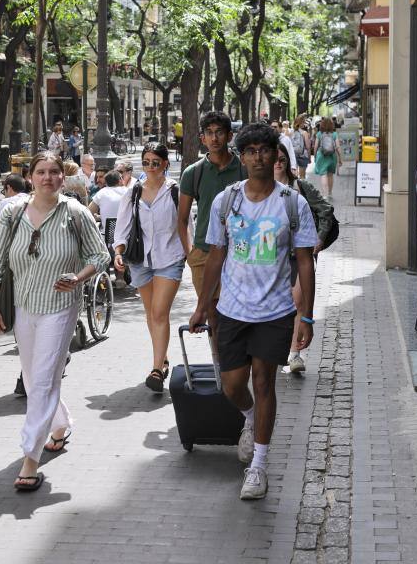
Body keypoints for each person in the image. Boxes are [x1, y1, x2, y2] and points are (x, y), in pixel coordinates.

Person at [189, 123, 317, 500]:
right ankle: (248, 418)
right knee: (232, 386)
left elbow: (305, 262)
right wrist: (201, 306)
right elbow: (216, 254)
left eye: (265, 150)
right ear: (241, 157)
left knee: (264, 383)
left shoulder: (292, 203)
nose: (259, 157)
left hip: (275, 311)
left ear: (276, 155)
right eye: (251, 151)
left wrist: (305, 316)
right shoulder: (226, 201)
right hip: (231, 309)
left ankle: (259, 464)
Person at [0, 152, 110, 492]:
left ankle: (30, 458)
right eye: (41, 172)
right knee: (34, 374)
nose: (48, 177)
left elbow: (101, 255)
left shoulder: (76, 213)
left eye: (55, 172)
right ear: (30, 176)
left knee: (39, 382)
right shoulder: (12, 213)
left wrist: (79, 276)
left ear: (62, 179)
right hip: (24, 306)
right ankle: (60, 424)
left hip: (61, 306)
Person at [114, 143, 186, 393]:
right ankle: (163, 358)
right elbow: (123, 226)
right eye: (146, 162)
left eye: (156, 162)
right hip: (141, 260)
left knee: (159, 312)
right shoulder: (133, 191)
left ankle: (157, 368)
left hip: (170, 257)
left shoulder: (176, 190)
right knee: (151, 314)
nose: (151, 167)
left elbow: (186, 225)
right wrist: (118, 252)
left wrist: (193, 255)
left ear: (165, 163)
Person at [274, 142, 333, 373]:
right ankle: (278, 349)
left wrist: (318, 241)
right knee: (280, 304)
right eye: (275, 159)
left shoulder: (300, 187)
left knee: (298, 302)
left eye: (282, 159)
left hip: (300, 255)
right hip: (273, 257)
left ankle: (294, 353)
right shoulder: (260, 191)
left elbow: (326, 211)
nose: (278, 163)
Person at [178, 111, 245, 303]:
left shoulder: (243, 169)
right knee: (211, 313)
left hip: (238, 252)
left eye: (219, 132)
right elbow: (182, 219)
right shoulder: (193, 173)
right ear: (202, 138)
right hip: (203, 252)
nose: (214, 138)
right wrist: (190, 254)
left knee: (235, 313)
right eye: (209, 132)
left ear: (230, 136)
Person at [313, 116, 342, 199]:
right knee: (330, 175)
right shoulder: (334, 134)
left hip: (321, 156)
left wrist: (315, 156)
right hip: (332, 156)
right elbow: (338, 147)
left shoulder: (319, 134)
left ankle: (324, 195)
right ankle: (329, 193)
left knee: (323, 175)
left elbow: (315, 147)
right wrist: (340, 158)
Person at [291, 115, 312, 179]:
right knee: (302, 176)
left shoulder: (290, 132)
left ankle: (295, 188)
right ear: (301, 123)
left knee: (294, 175)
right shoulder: (304, 133)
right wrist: (309, 157)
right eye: (303, 122)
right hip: (303, 155)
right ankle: (301, 188)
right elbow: (308, 147)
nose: (304, 124)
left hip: (293, 155)